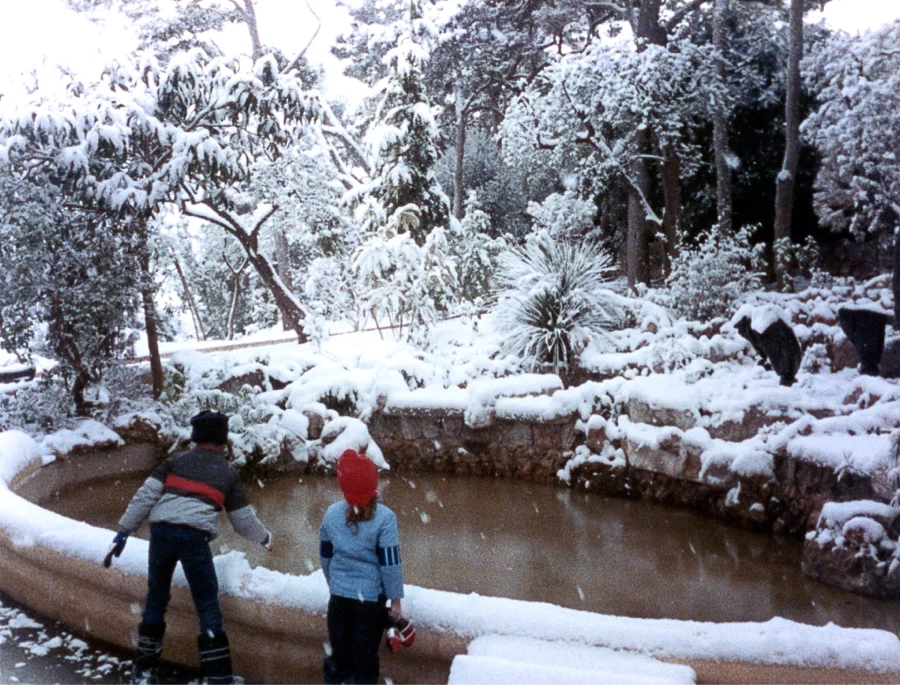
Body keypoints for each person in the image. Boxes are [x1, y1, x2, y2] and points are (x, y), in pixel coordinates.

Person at [107, 410, 273, 685]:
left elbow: (145, 495)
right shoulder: (227, 473)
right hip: (193, 537)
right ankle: (217, 677)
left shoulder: (174, 461)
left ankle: (144, 672)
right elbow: (242, 520)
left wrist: (124, 530)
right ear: (223, 439)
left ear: (195, 438)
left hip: (161, 531)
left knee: (156, 600)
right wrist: (264, 538)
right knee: (207, 605)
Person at [319, 449, 405, 685]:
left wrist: (334, 583)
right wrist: (395, 599)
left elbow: (325, 556)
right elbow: (390, 562)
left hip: (339, 598)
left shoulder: (331, 514)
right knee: (365, 661)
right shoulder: (385, 518)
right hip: (369, 602)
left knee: (338, 659)